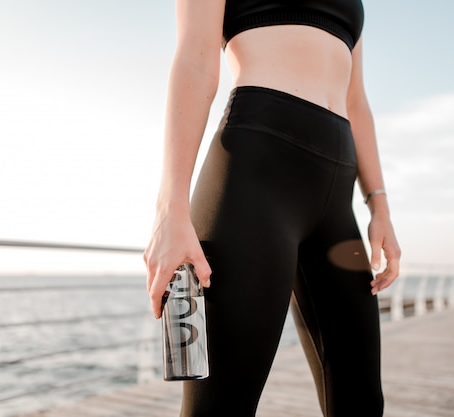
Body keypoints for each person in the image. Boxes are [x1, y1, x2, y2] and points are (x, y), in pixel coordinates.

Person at [143, 1, 401, 415]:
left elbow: (357, 102)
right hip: (256, 173)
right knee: (221, 406)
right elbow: (195, 58)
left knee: (362, 401)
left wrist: (380, 207)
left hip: (338, 195)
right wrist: (169, 210)